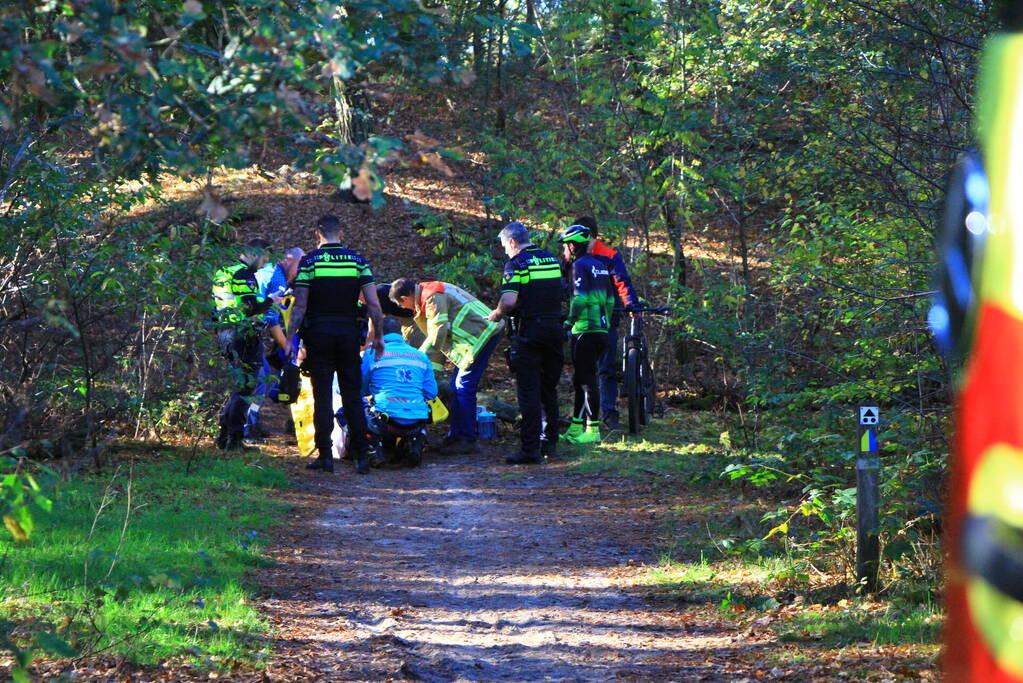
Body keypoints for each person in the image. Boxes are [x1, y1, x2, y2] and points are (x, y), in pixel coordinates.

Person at [285, 215, 384, 474]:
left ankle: (326, 456)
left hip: (318, 334)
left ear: (317, 234)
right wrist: (380, 336)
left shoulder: (309, 262)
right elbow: (373, 304)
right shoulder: (358, 261)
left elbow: (301, 305)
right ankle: (362, 456)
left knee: (322, 396)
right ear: (341, 231)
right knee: (353, 396)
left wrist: (290, 338)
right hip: (349, 334)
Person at [390, 277, 505, 454]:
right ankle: (456, 436)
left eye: (401, 304)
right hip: (474, 340)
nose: (404, 308)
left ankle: (467, 439)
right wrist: (430, 370)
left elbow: (438, 332)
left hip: (481, 335)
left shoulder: (432, 297)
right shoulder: (427, 295)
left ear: (406, 297)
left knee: (464, 388)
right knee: (455, 387)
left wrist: (416, 357)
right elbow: (437, 342)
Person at [487, 222, 564, 465]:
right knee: (548, 389)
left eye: (504, 246)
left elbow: (509, 301)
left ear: (512, 242)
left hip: (530, 332)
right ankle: (550, 442)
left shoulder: (517, 263)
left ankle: (530, 449)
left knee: (529, 391)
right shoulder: (551, 259)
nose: (505, 252)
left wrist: (497, 314)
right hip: (554, 330)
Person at [211, 239, 283, 450]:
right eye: (264, 259)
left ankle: (224, 436)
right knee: (246, 387)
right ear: (254, 254)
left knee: (238, 385)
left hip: (225, 333)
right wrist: (271, 300)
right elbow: (249, 307)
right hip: (242, 334)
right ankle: (234, 439)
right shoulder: (244, 274)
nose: (265, 264)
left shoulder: (224, 270)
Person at [575, 216, 640, 431]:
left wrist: (630, 304)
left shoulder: (609, 255)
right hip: (582, 321)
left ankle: (609, 413)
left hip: (606, 319)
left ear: (592, 236)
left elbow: (622, 281)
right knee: (584, 370)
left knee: (606, 367)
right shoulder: (573, 255)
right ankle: (582, 417)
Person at [558, 224, 615, 445]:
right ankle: (575, 427)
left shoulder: (579, 266)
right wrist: (606, 322)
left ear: (573, 245)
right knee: (581, 378)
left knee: (587, 381)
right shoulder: (600, 265)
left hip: (585, 330)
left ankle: (592, 431)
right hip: (601, 328)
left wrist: (569, 321)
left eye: (566, 245)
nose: (565, 250)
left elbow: (580, 298)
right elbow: (610, 300)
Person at [358, 317, 438, 467]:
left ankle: (373, 449)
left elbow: (360, 388)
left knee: (357, 409)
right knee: (417, 412)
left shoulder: (371, 354)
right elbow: (431, 393)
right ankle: (415, 442)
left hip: (385, 420)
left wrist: (375, 390)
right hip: (417, 419)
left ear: (379, 334)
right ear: (400, 333)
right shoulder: (421, 355)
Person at [245, 245, 305, 441]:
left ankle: (248, 425)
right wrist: (287, 346)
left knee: (262, 380)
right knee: (260, 381)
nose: (300, 272)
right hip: (245, 334)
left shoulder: (271, 272)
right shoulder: (277, 277)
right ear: (288, 261)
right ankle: (245, 428)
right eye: (299, 266)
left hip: (247, 333)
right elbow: (271, 319)